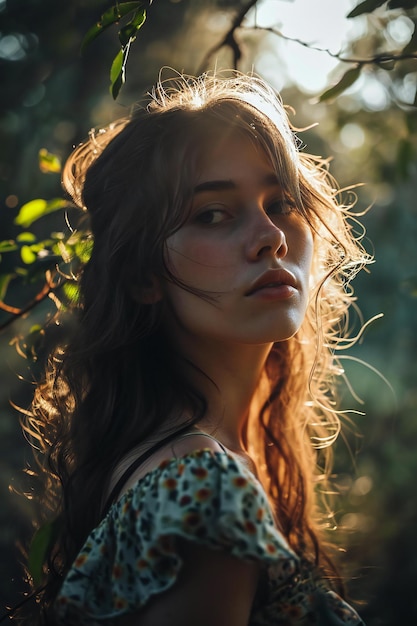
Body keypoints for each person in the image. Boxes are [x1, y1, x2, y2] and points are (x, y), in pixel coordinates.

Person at [20, 71, 370, 625]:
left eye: (281, 202)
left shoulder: (178, 466)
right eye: (212, 215)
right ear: (143, 276)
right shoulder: (202, 486)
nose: (271, 235)